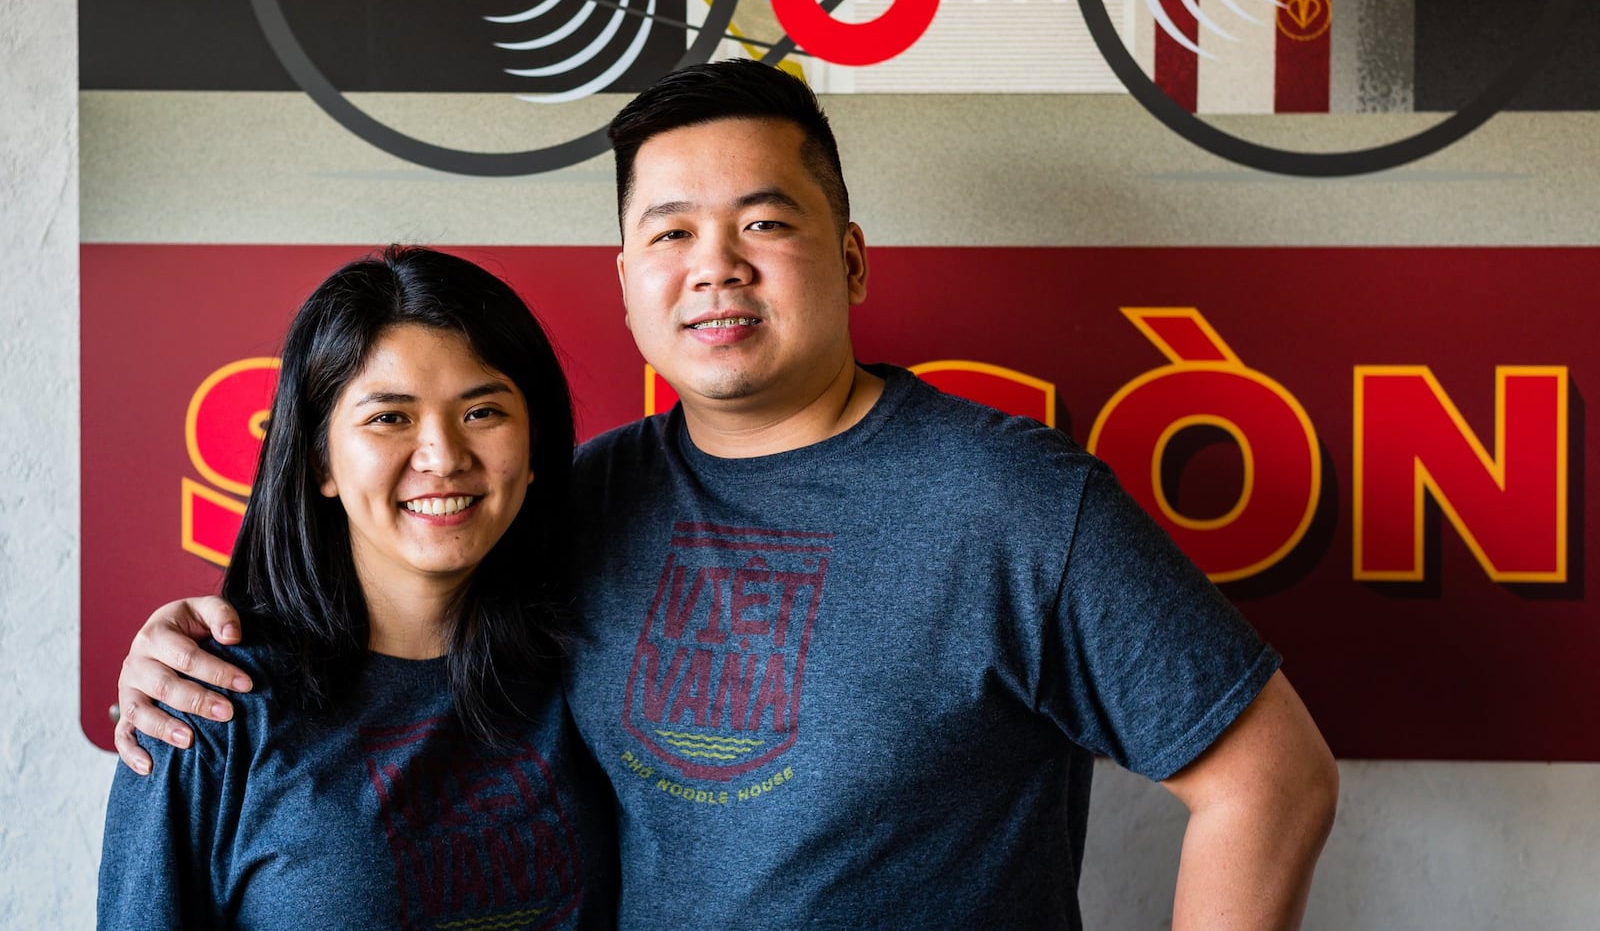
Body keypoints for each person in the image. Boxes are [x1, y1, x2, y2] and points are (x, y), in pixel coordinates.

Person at [115, 60, 1338, 929]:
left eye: (764, 222)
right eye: (671, 233)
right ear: (626, 282)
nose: (716, 268)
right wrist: (185, 644)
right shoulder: (578, 503)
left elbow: (1271, 777)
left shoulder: (1013, 499)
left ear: (850, 256)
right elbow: (393, 615)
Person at [99, 247, 616, 929]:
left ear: (533, 446)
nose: (443, 457)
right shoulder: (209, 705)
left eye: (482, 412)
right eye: (389, 418)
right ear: (320, 459)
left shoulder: (593, 669)